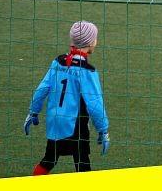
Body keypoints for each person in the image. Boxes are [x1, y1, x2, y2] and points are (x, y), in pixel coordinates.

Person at [25, 21, 110, 174]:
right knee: (82, 164)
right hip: (75, 126)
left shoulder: (58, 62)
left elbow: (42, 88)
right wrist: (103, 129)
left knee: (49, 159)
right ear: (91, 42)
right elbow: (95, 103)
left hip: (55, 121)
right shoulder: (87, 71)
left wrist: (33, 111)